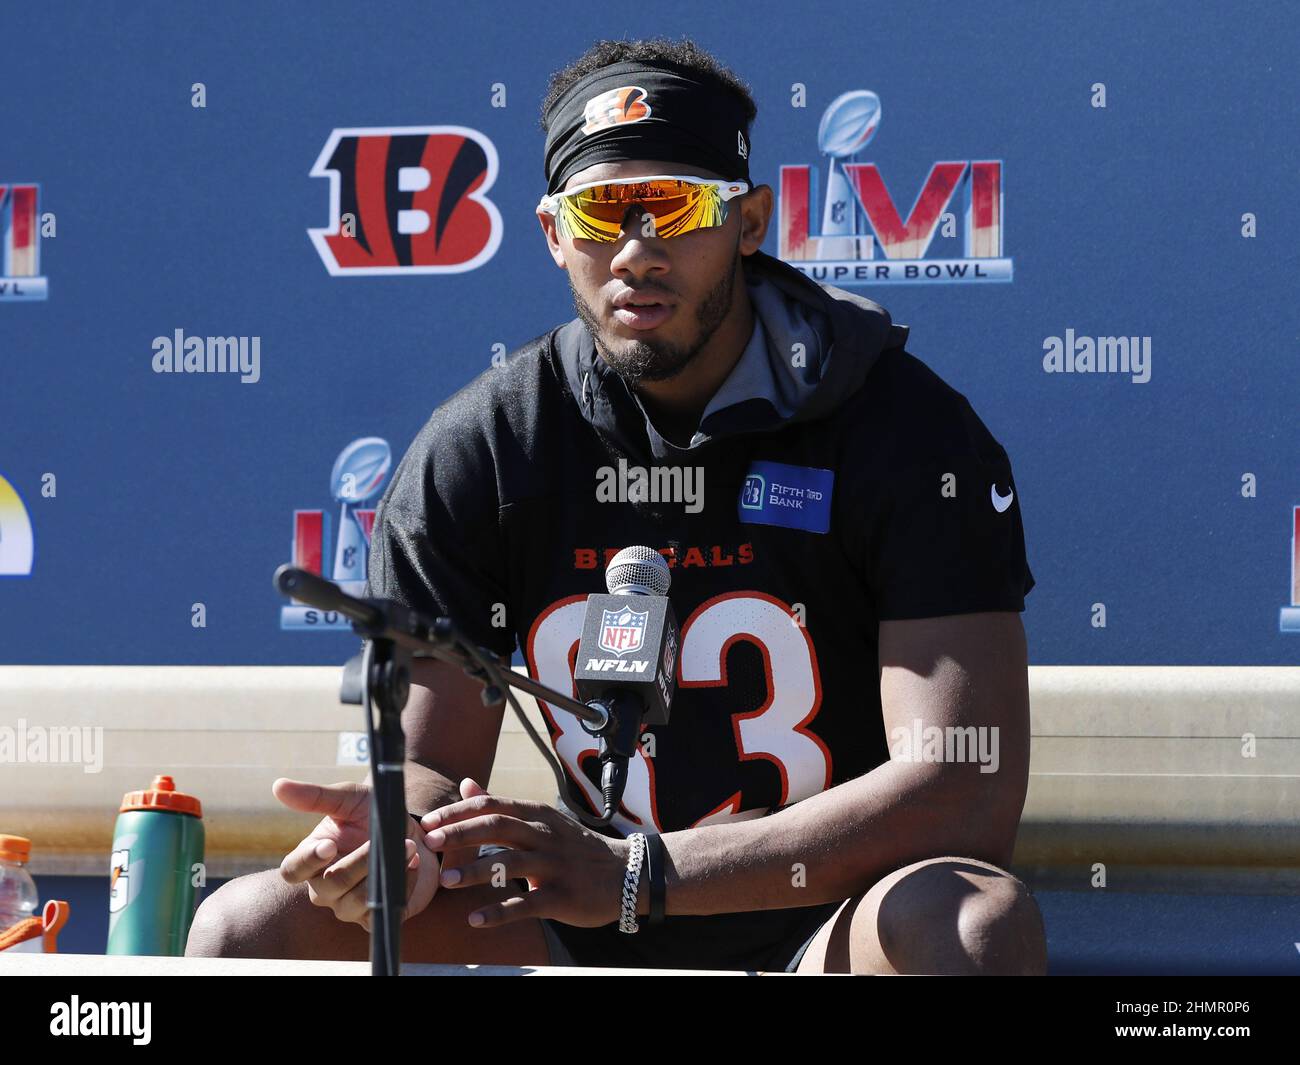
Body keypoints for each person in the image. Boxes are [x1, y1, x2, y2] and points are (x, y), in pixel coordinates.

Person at [187, 37, 1046, 974]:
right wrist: (399, 832)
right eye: (600, 213)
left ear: (751, 220)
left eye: (676, 207)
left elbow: (965, 790)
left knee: (971, 922)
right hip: (580, 925)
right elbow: (435, 763)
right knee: (250, 930)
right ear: (554, 234)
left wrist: (643, 870)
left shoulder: (901, 427)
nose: (636, 251)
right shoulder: (487, 446)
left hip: (830, 925)